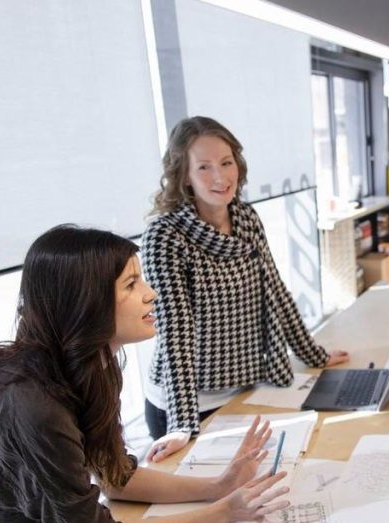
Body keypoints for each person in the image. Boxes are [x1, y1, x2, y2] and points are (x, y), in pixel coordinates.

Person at [0, 226, 290, 523]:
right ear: (85, 301)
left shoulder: (94, 366)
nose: (151, 294)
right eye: (131, 284)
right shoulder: (35, 407)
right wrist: (222, 513)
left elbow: (113, 475)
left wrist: (218, 487)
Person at [142, 116, 348, 462]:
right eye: (204, 167)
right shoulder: (164, 236)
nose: (220, 177)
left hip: (244, 385)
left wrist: (314, 354)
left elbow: (274, 291)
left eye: (226, 162)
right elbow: (174, 331)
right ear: (184, 175)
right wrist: (181, 424)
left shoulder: (246, 218)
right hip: (189, 402)